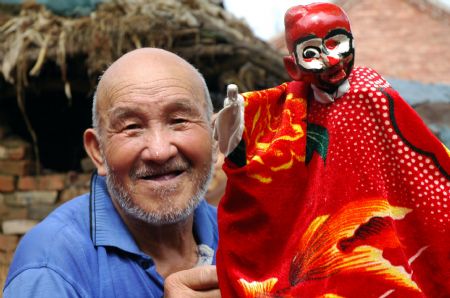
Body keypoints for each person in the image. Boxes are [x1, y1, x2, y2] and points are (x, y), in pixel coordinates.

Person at [214, 2, 450, 297]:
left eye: (336, 43)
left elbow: (418, 151)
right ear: (293, 66)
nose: (330, 60)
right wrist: (239, 134)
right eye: (311, 53)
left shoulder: (373, 94)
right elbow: (266, 168)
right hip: (321, 242)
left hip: (382, 225)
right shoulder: (288, 107)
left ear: (352, 44)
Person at [3, 48, 221, 297]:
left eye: (179, 120)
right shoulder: (51, 265)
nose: (160, 151)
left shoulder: (244, 235)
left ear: (215, 138)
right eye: (132, 127)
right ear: (98, 152)